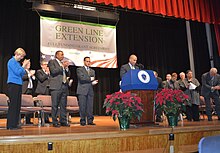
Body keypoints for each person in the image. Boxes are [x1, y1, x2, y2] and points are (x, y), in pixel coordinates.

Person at [6, 48, 30, 130]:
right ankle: (11, 125)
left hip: (18, 84)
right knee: (13, 105)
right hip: (13, 84)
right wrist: (23, 66)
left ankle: (15, 123)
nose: (21, 58)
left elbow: (22, 73)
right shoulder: (11, 61)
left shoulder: (17, 63)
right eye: (21, 56)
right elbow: (18, 72)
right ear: (17, 54)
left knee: (17, 105)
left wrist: (22, 68)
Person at [48, 50, 71, 127]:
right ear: (56, 55)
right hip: (55, 86)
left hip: (64, 86)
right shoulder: (52, 62)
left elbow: (68, 74)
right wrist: (62, 67)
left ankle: (63, 121)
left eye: (63, 54)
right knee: (55, 105)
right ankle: (54, 121)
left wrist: (66, 68)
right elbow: (53, 72)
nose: (63, 56)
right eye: (61, 54)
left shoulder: (62, 64)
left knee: (63, 105)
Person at [76, 57, 98, 126]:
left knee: (90, 106)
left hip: (90, 90)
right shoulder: (79, 69)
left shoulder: (92, 71)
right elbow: (82, 78)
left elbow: (92, 79)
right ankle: (82, 120)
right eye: (87, 61)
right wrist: (90, 79)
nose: (88, 62)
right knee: (82, 106)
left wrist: (93, 82)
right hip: (82, 90)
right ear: (84, 62)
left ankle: (90, 120)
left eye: (89, 61)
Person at [22, 60, 36, 124]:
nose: (29, 65)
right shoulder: (22, 70)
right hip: (24, 89)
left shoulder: (29, 71)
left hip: (30, 89)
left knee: (29, 105)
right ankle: (20, 119)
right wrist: (29, 74)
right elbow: (22, 77)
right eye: (28, 63)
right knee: (22, 105)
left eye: (30, 63)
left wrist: (33, 76)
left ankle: (28, 120)